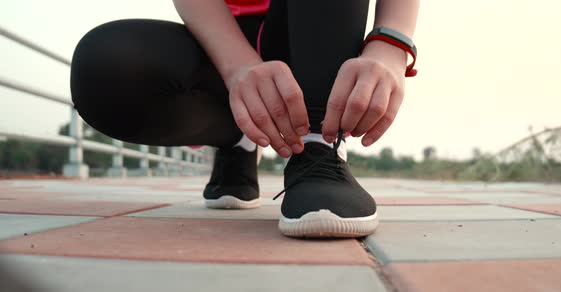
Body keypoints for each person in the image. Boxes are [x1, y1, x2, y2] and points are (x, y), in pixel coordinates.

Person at [70, 0, 419, 238]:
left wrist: (391, 41)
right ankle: (236, 139)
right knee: (106, 67)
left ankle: (317, 147)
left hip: (317, 33)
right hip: (222, 38)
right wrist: (238, 67)